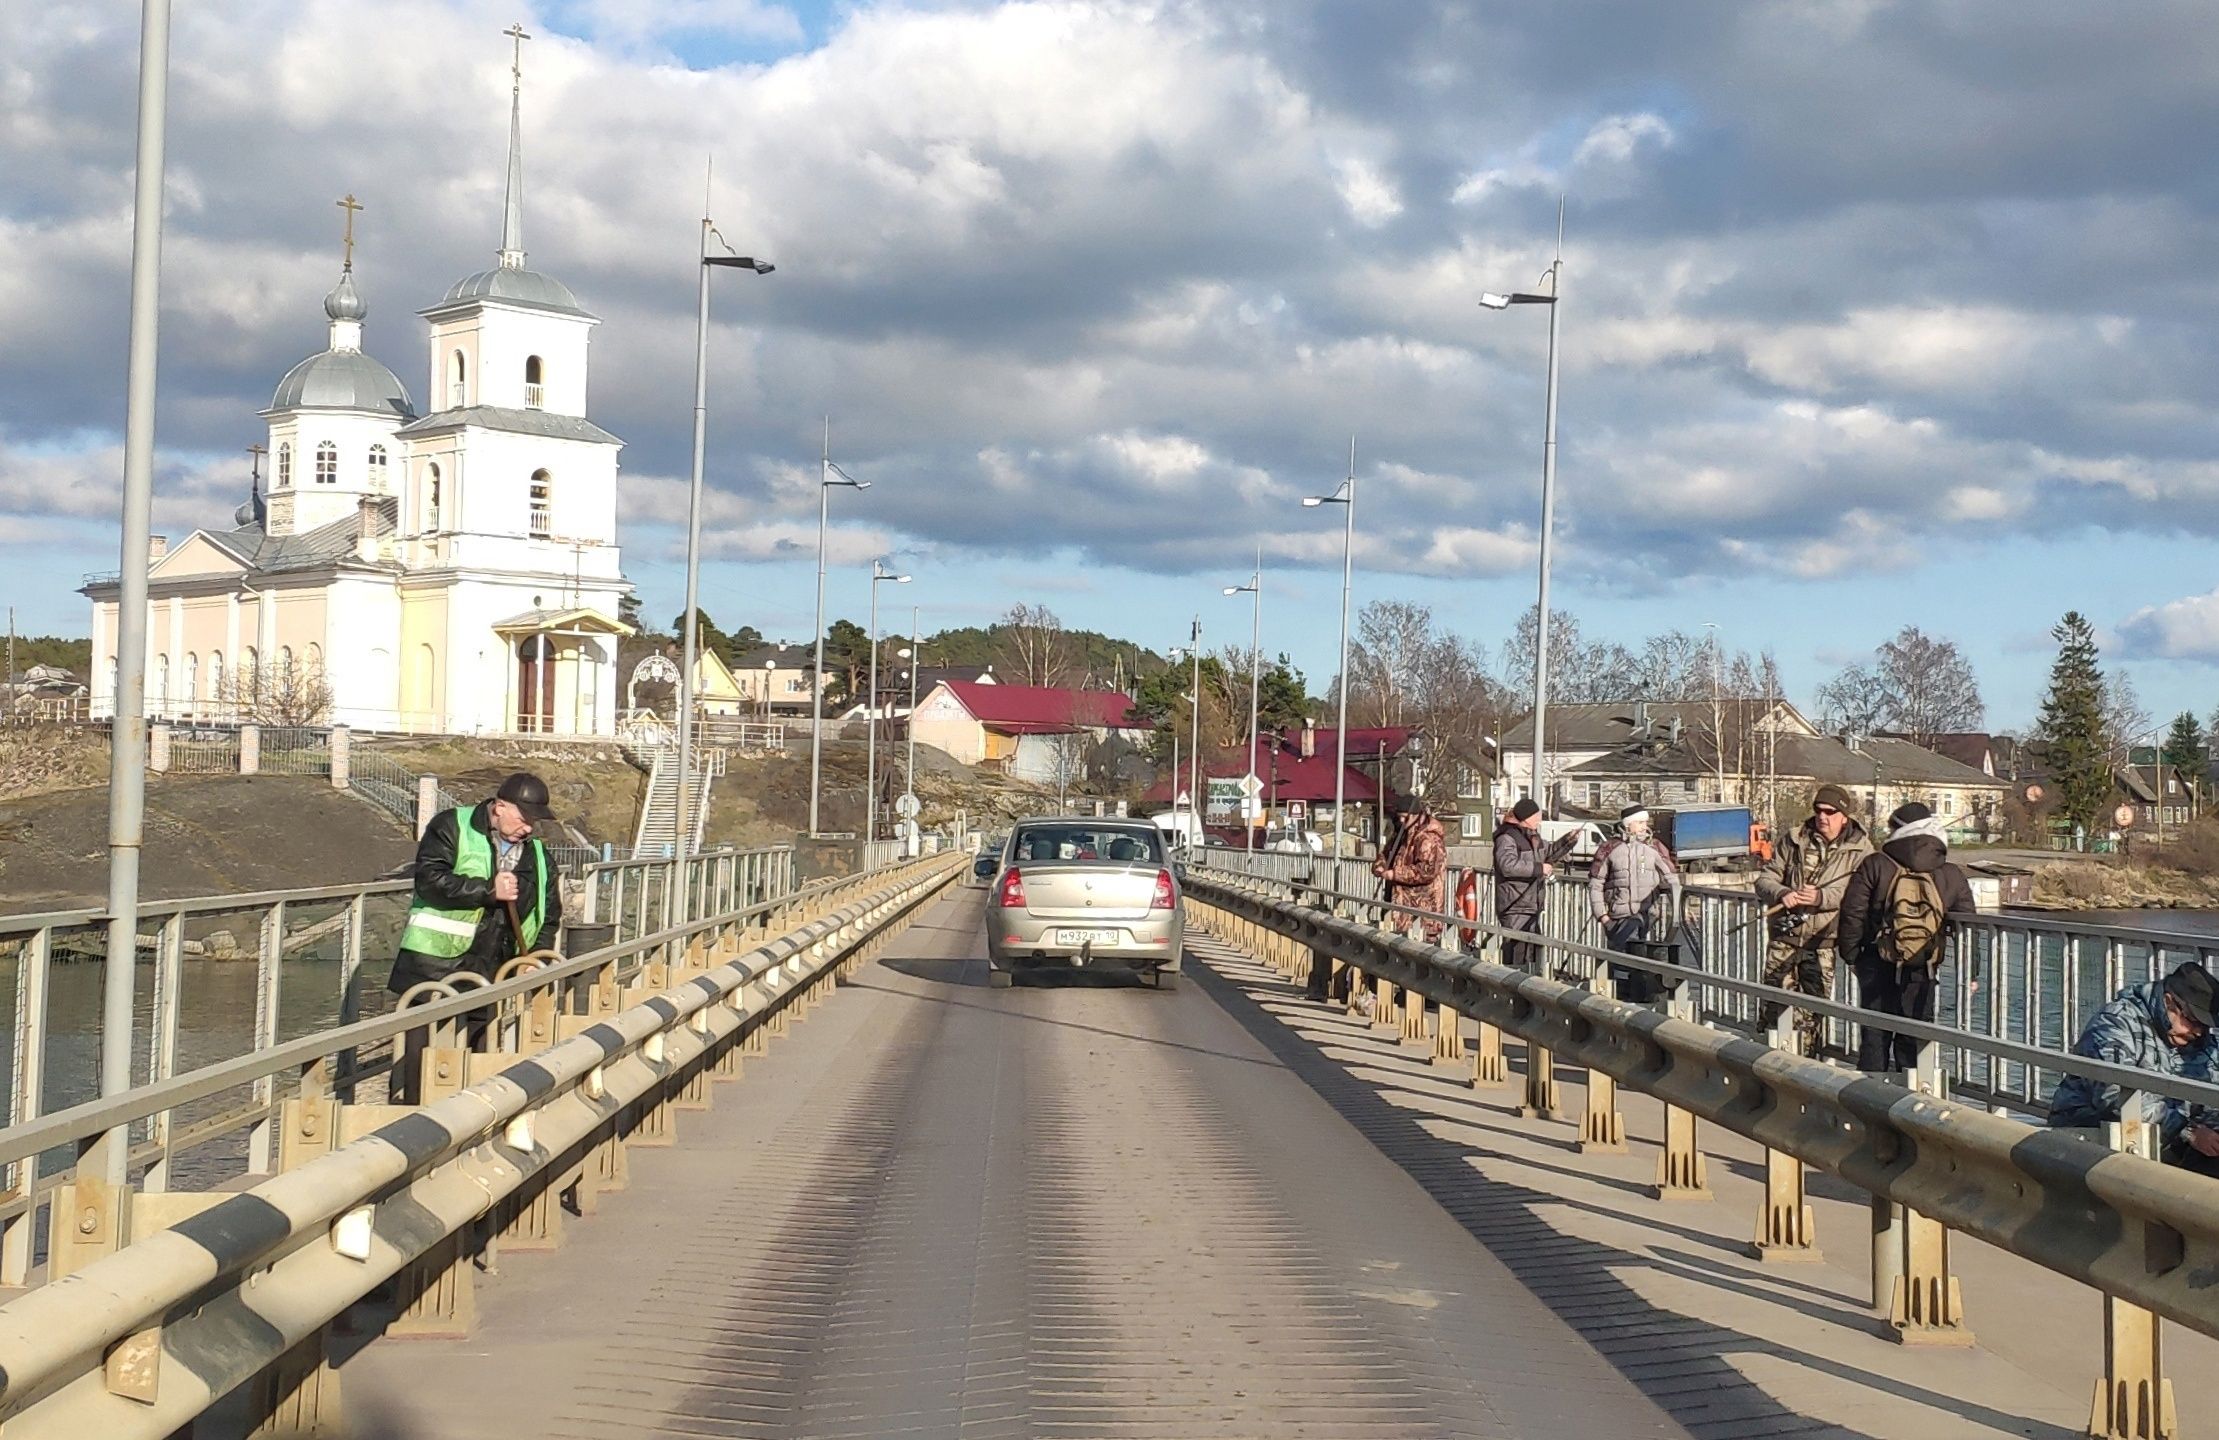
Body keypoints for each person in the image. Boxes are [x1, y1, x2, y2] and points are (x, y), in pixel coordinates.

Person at [390, 771, 564, 998]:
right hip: (432, 973)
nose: (529, 828)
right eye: (523, 820)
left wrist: (535, 959)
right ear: (500, 808)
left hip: (494, 978)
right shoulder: (452, 825)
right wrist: (490, 890)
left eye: (533, 822)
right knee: (422, 1034)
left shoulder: (540, 858)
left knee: (484, 1034)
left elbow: (548, 917)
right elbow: (429, 880)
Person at [1834, 802, 1976, 1073]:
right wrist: (1972, 972)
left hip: (1877, 960)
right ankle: (1912, 1103)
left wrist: (1851, 955)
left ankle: (1871, 1101)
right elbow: (1969, 926)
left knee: (1875, 1035)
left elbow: (1852, 912)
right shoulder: (1950, 873)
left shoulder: (1876, 864)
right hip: (1924, 964)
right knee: (1916, 1034)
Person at [2049, 963, 2219, 1174]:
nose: (2198, 1032)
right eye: (2193, 1021)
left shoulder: (2199, 1040)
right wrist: (2187, 1130)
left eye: (2205, 1026)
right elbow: (2113, 1095)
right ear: (2169, 1002)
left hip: (2165, 1140)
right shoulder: (2115, 1023)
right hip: (2091, 1134)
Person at [1752, 784, 1873, 1052]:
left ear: (1844, 815)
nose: (1823, 817)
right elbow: (1764, 879)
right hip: (1784, 939)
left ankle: (1807, 1073)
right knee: (1774, 1008)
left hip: (1823, 944)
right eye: (1818, 810)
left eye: (1830, 812)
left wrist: (1820, 898)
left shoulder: (1861, 850)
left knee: (1812, 1016)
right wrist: (1782, 893)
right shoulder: (1794, 839)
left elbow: (1857, 893)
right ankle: (1767, 1068)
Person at [1590, 805, 1678, 997]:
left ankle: (1642, 1001)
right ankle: (1612, 1000)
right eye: (1640, 822)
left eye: (1645, 822)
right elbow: (1596, 884)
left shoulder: (1654, 847)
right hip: (1618, 917)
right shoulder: (1609, 848)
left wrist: (1677, 904)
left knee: (1644, 966)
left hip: (1648, 916)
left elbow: (1671, 876)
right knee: (1618, 962)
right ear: (1628, 825)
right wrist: (1603, 917)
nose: (1644, 826)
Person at [1492, 798, 1572, 971]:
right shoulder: (1507, 838)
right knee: (1516, 952)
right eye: (1536, 816)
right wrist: (1538, 869)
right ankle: (1512, 990)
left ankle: (1529, 989)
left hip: (1531, 904)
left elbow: (1550, 852)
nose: (1539, 820)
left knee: (1534, 951)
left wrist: (1568, 842)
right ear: (1526, 817)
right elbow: (1507, 866)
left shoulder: (1533, 837)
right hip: (1514, 904)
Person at [1372, 792, 1447, 943]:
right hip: (1399, 907)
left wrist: (1395, 874)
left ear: (1416, 815)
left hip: (1421, 913)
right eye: (1399, 816)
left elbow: (1427, 870)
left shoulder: (1428, 838)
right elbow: (1387, 853)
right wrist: (1380, 866)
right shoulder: (1401, 833)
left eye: (1405, 817)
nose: (1401, 820)